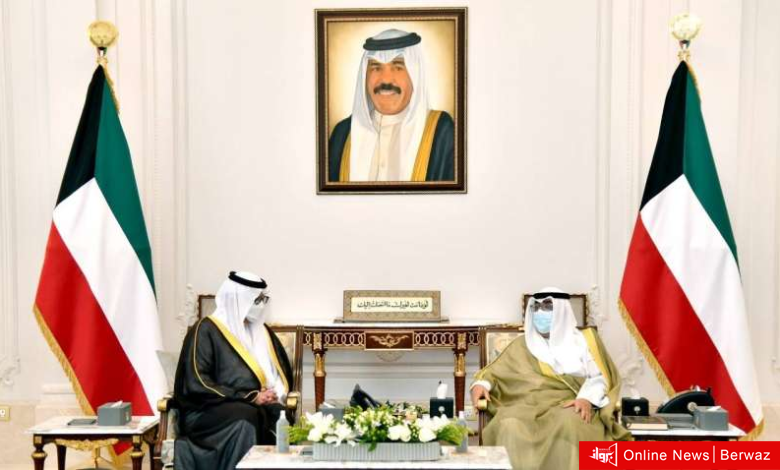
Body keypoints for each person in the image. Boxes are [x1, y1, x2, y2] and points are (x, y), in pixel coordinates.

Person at [471, 288, 630, 469]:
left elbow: (601, 377)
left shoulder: (585, 341)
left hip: (570, 403)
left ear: (562, 310)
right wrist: (481, 384)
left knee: (569, 423)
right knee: (509, 425)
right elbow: (494, 372)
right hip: (525, 405)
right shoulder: (522, 344)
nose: (540, 313)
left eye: (547, 307)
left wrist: (586, 398)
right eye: (536, 307)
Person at [173, 271, 294, 469]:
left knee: (280, 416)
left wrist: (274, 394)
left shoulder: (262, 332)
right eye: (256, 300)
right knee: (245, 420)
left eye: (264, 299)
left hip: (254, 407)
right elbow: (198, 382)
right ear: (238, 299)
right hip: (207, 409)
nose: (261, 305)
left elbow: (280, 373)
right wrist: (250, 397)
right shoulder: (205, 329)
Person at [328, 28, 454, 182]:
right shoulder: (342, 134)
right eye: (376, 67)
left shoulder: (441, 131)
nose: (386, 80)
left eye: (398, 67)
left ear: (415, 74)